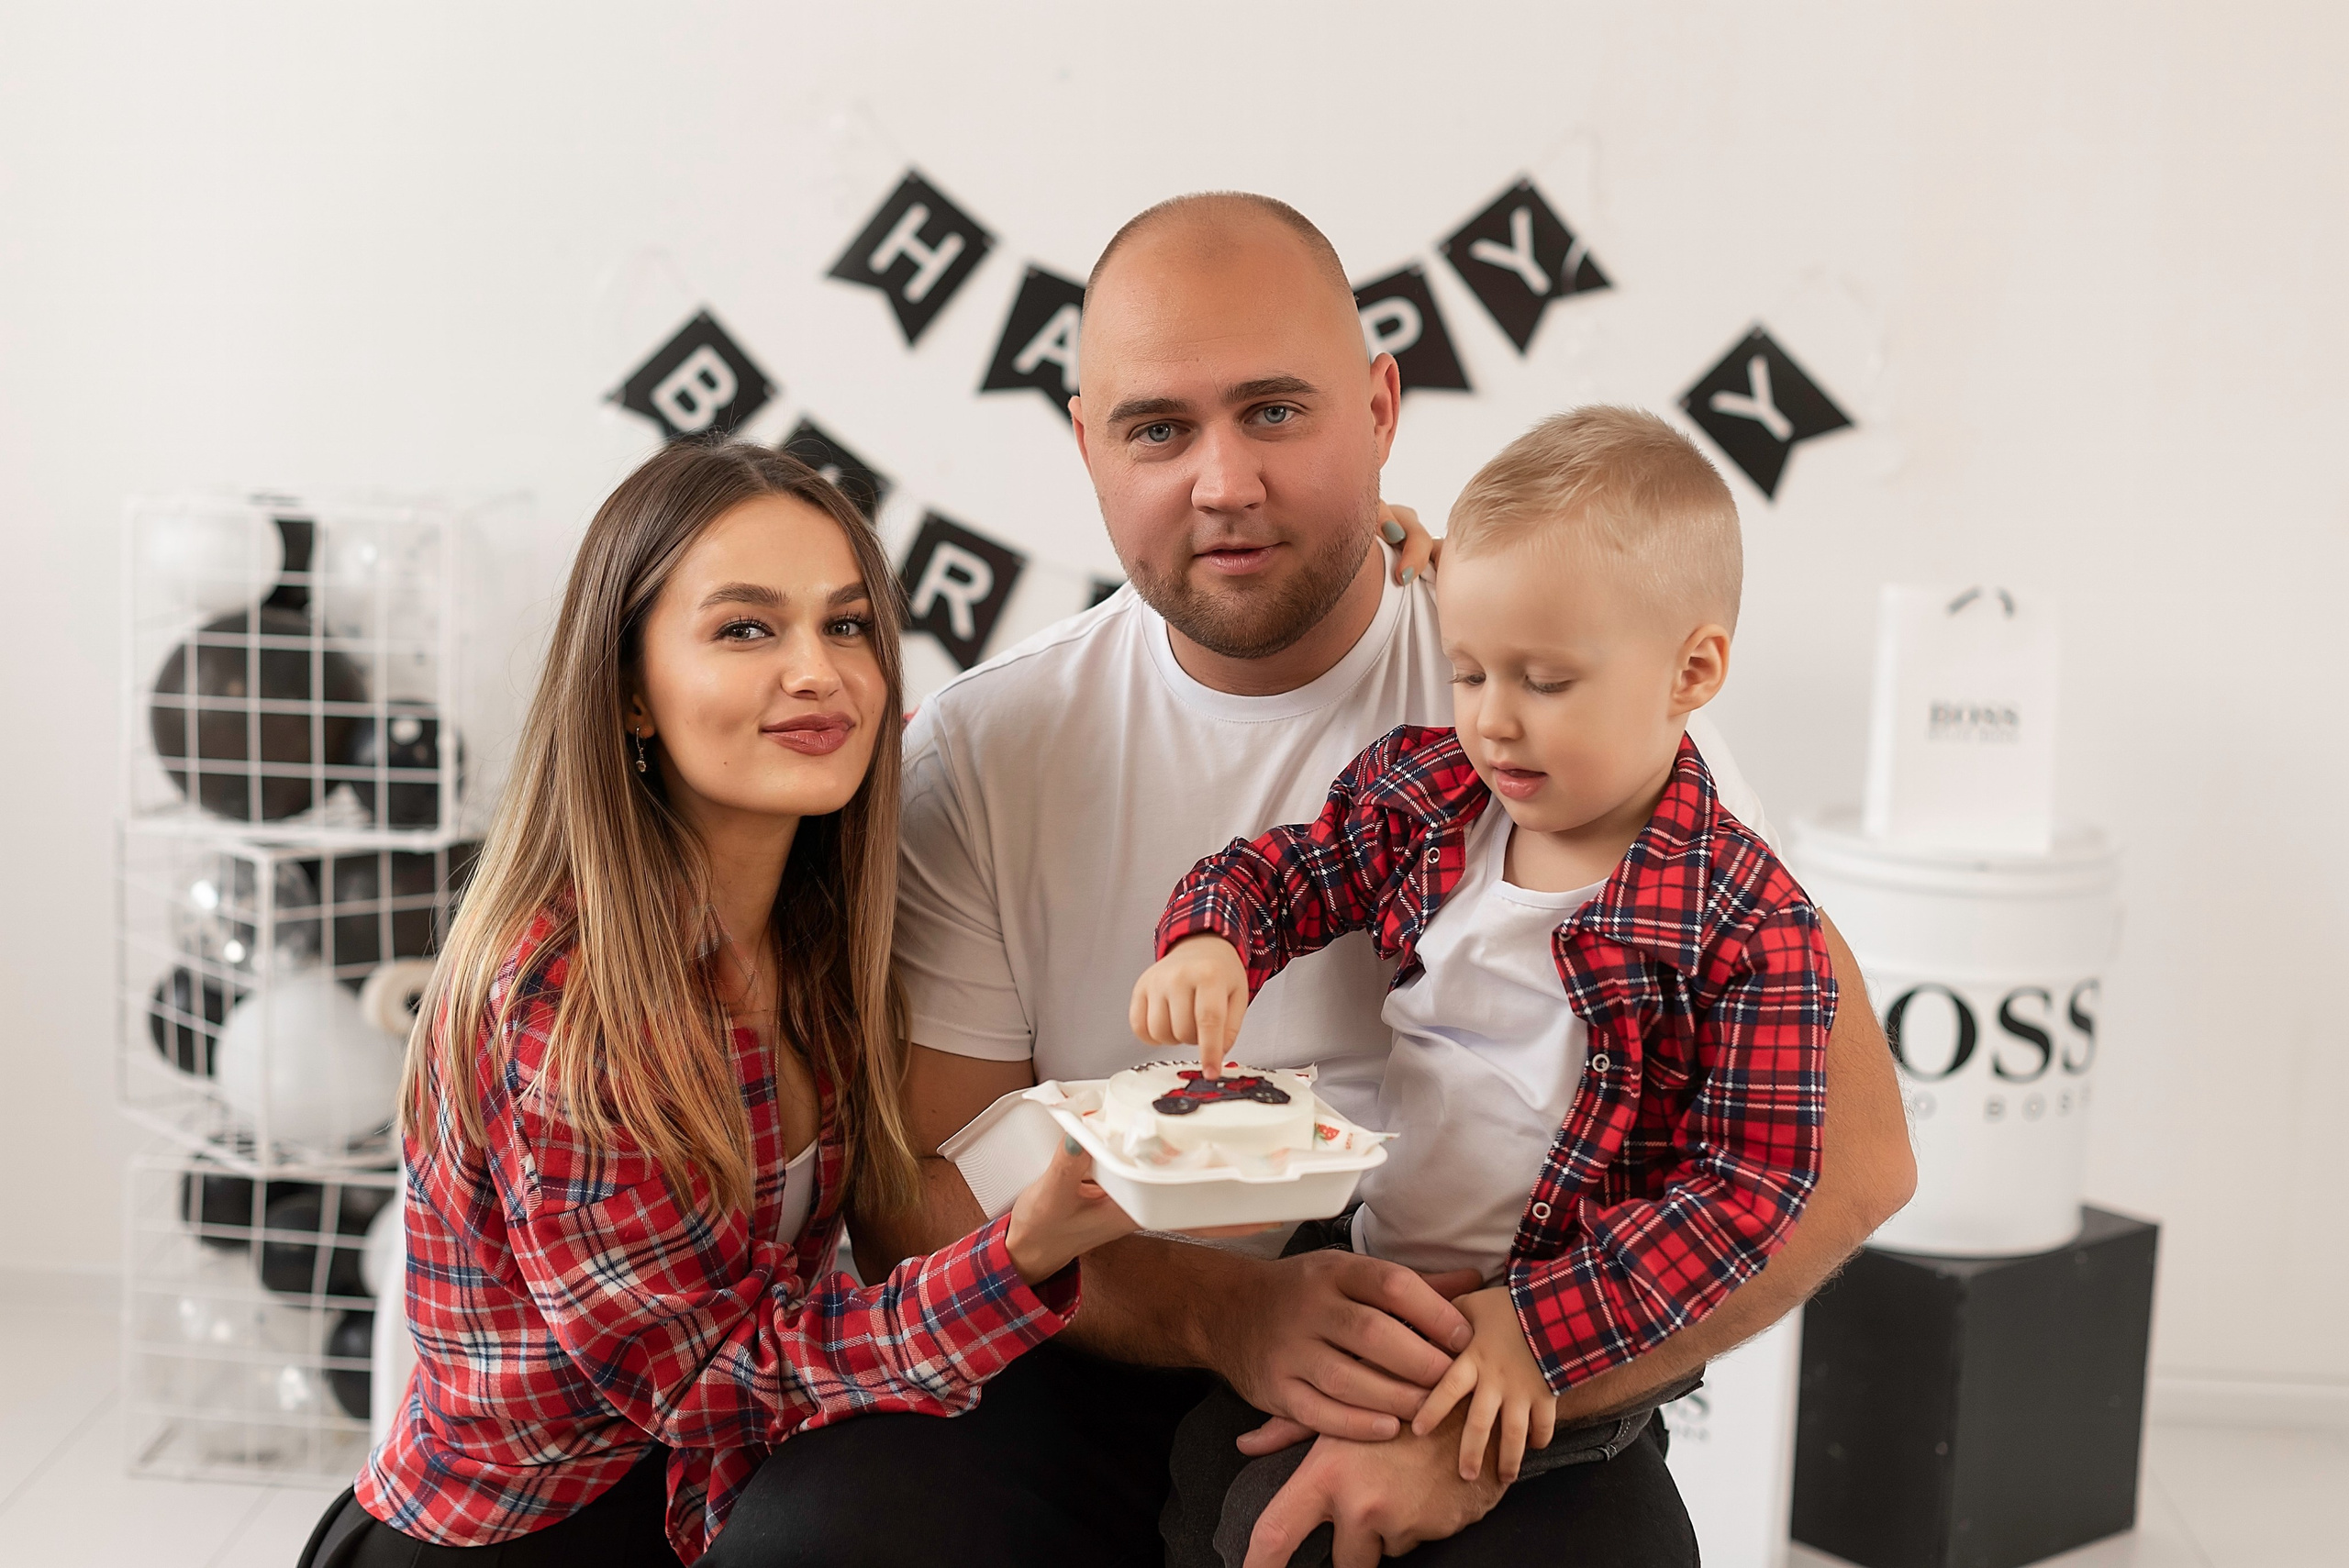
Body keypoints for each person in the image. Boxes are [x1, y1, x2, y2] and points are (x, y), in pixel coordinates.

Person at [750, 193, 1915, 1568]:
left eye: (1276, 411)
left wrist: (1485, 1392)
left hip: (1474, 1343)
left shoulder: (1583, 695)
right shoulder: (985, 747)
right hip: (1090, 1334)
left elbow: (1848, 1164)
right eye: (1158, 428)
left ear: (1379, 410)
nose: (1224, 481)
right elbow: (917, 1195)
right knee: (811, 1538)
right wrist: (1225, 1313)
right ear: (1086, 445)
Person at [296, 440, 1138, 1568]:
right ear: (630, 692)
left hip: (694, 1512)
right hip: (511, 1541)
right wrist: (1017, 1255)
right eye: (746, 628)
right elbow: (710, 1378)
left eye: (847, 625)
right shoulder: (564, 991)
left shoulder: (815, 933)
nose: (817, 671)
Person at [1136, 406, 1838, 1565]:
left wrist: (1537, 1331)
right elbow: (1289, 868)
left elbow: (1752, 1183)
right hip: (1381, 1263)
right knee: (1214, 1461)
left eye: (1546, 681)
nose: (1494, 719)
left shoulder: (1744, 919)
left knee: (1292, 1527)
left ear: (1692, 671)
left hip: (1559, 1315)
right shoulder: (1438, 799)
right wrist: (1212, 941)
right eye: (1468, 670)